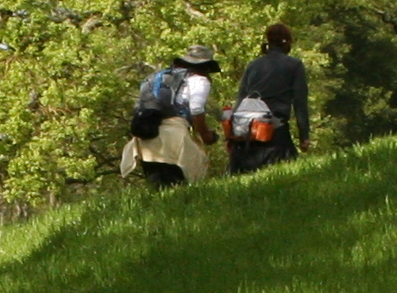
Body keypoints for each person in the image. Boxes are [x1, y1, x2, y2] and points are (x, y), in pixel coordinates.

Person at [119, 44, 221, 187]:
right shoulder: (199, 80)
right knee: (178, 185)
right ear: (206, 66)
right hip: (173, 137)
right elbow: (197, 109)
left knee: (158, 188)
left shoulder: (158, 77)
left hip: (147, 136)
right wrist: (205, 134)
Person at [227, 23, 313, 176]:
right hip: (275, 131)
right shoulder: (294, 65)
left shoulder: (253, 65)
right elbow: (300, 103)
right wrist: (304, 136)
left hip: (249, 130)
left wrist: (232, 134)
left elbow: (240, 99)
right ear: (288, 42)